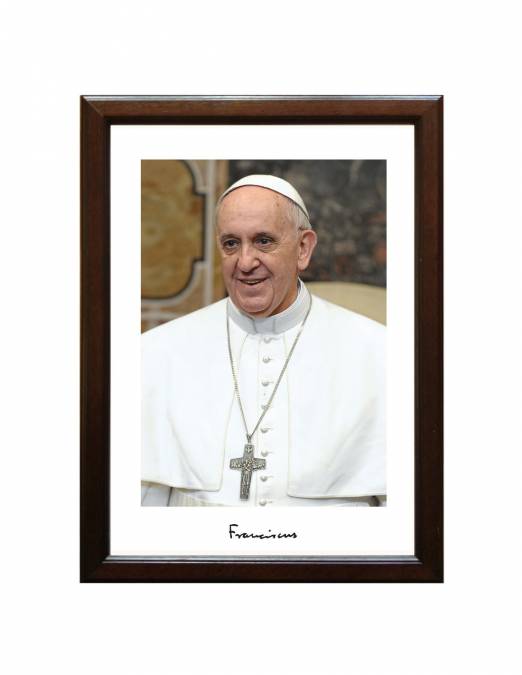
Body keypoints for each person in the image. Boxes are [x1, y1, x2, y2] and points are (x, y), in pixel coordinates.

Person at [141, 175, 386, 507]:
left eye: (264, 241)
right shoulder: (155, 353)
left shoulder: (380, 354)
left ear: (303, 248)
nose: (245, 262)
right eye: (231, 243)